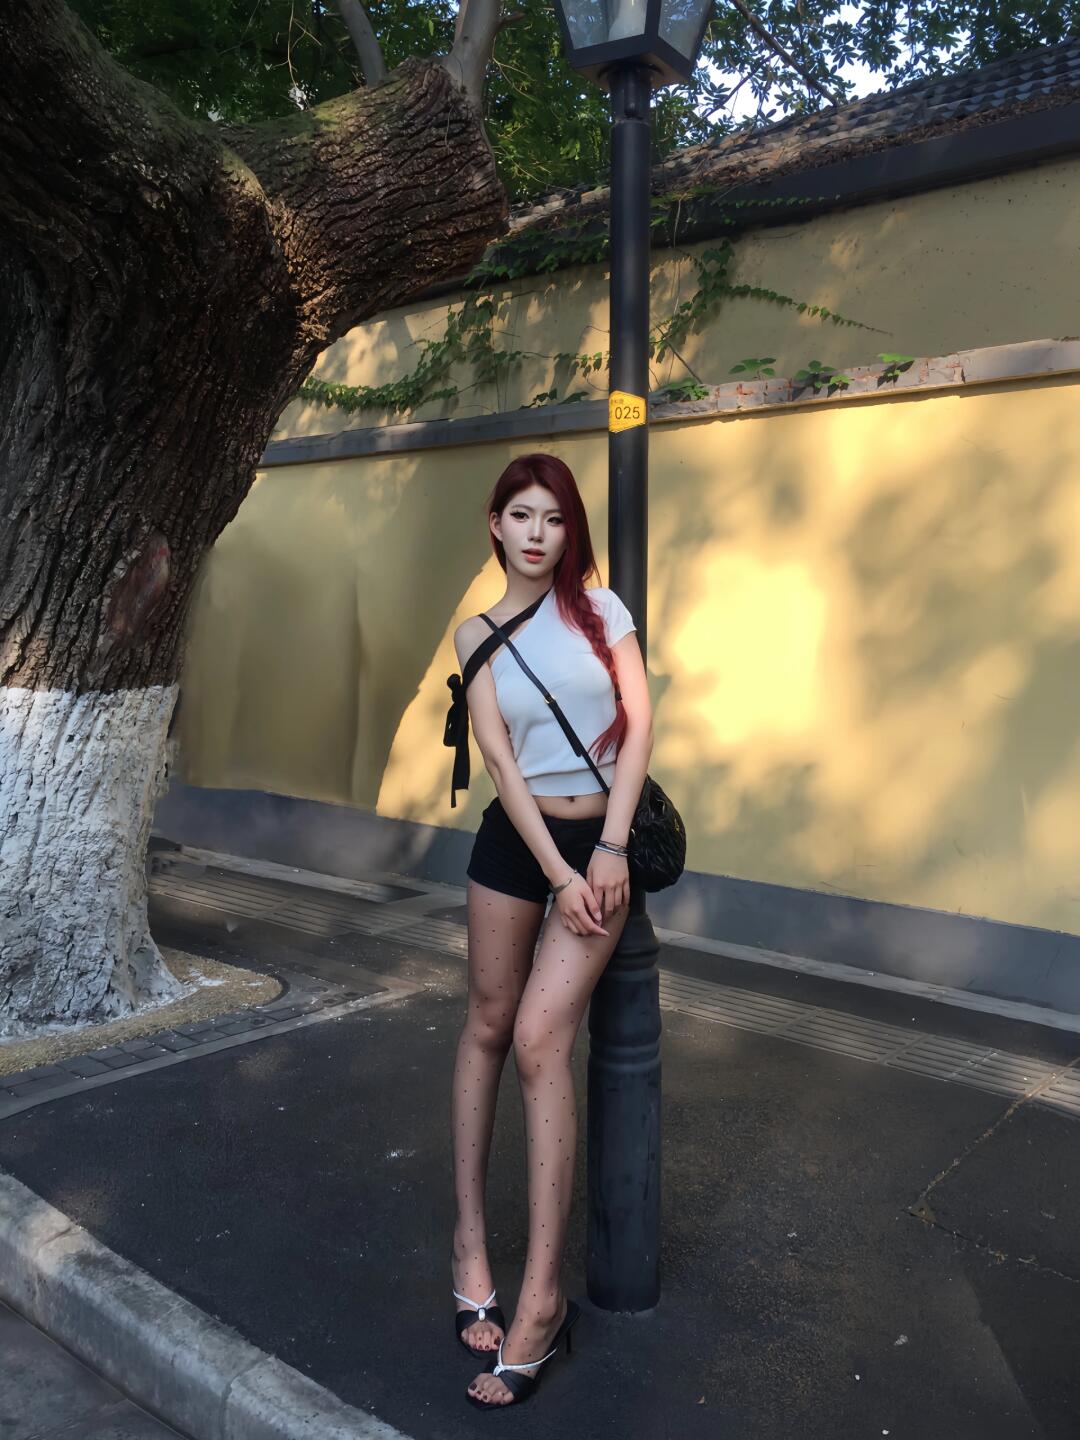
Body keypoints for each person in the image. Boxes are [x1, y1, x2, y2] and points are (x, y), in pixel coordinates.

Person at [447, 452, 653, 1408]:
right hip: (518, 845)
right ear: (496, 525)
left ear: (573, 530)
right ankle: (469, 1245)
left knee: (540, 1040)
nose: (538, 533)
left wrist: (607, 851)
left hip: (600, 846)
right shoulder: (476, 633)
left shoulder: (603, 613)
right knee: (489, 1026)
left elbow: (639, 725)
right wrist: (558, 871)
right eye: (522, 515)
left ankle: (540, 1300)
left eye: (555, 517)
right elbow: (499, 761)